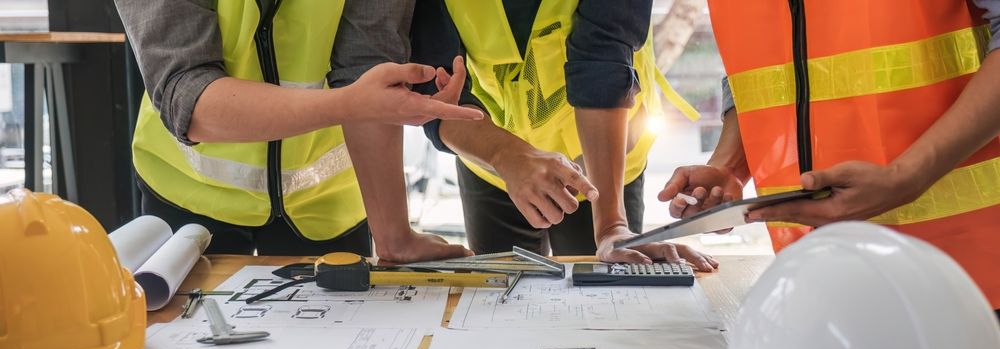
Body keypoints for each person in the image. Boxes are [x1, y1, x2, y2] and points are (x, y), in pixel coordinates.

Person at [659, 0, 1000, 308]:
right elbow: (766, 60)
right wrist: (730, 166)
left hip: (970, 275)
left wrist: (907, 175)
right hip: (822, 280)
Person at [115, 0, 482, 260]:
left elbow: (369, 64)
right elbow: (188, 97)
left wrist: (393, 236)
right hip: (190, 195)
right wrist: (352, 103)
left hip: (325, 201)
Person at [410, 0, 719, 271]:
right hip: (489, 152)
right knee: (501, 304)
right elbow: (436, 90)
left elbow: (603, 60)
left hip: (603, 160)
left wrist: (612, 225)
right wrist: (504, 155)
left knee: (604, 303)